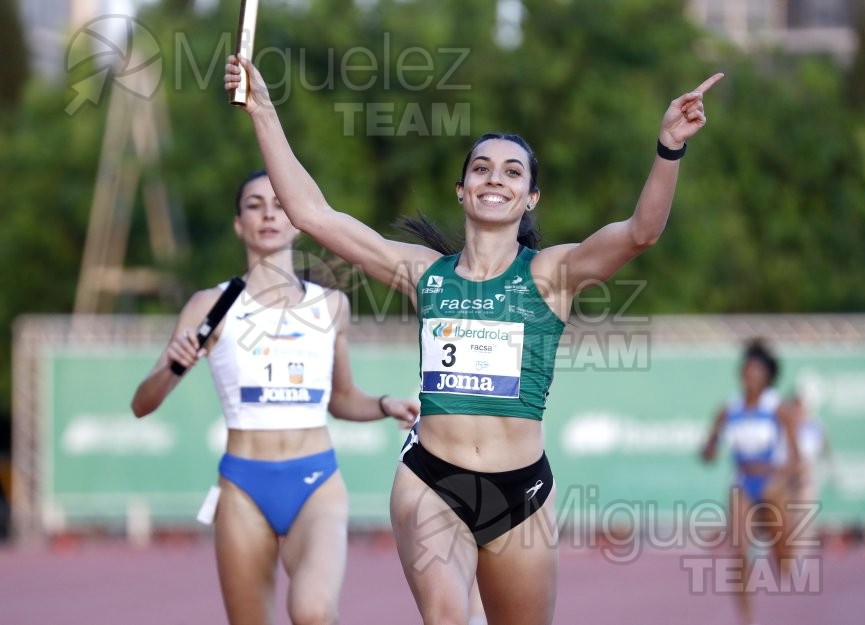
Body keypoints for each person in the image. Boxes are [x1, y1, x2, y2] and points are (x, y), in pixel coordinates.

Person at [226, 52, 722, 625]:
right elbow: (313, 214)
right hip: (432, 479)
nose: (495, 178)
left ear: (530, 198)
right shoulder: (422, 273)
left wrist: (669, 147)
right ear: (462, 190)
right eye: (482, 168)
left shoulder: (551, 276)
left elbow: (641, 232)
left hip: (522, 492)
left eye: (513, 172)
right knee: (447, 617)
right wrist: (262, 108)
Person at [131, 170, 418, 625]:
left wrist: (383, 404)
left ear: (298, 220)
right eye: (254, 204)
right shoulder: (211, 305)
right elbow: (142, 404)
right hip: (243, 486)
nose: (268, 213)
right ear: (238, 225)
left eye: (281, 204)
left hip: (316, 481)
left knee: (313, 611)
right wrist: (171, 364)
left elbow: (341, 398)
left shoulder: (330, 306)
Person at [700, 339, 801, 625]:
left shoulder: (778, 409)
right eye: (746, 371)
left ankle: (778, 547)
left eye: (756, 372)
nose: (750, 377)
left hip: (772, 483)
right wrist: (709, 448)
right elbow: (709, 449)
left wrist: (781, 481)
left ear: (767, 375)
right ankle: (746, 619)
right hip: (742, 481)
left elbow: (796, 457)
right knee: (740, 551)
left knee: (784, 561)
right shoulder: (728, 409)